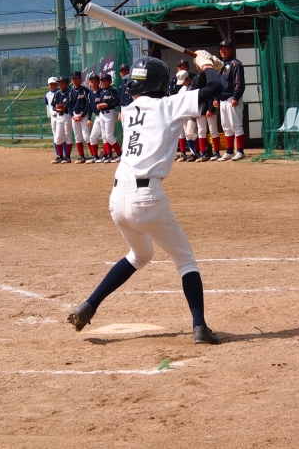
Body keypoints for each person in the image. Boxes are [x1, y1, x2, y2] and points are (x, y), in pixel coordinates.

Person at [67, 51, 224, 344]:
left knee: (140, 255)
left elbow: (199, 91)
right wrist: (206, 65)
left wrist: (207, 70)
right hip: (147, 197)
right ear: (161, 83)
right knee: (185, 261)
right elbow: (214, 89)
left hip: (118, 197)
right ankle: (200, 327)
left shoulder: (129, 108)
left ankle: (90, 304)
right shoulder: (167, 106)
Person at [213, 40, 246, 161]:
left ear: (231, 50)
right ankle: (229, 151)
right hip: (222, 99)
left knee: (236, 125)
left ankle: (240, 151)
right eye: (221, 48)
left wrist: (236, 96)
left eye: (225, 48)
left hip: (232, 97)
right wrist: (216, 97)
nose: (222, 50)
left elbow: (239, 82)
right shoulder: (220, 66)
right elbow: (217, 84)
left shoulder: (235, 64)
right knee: (226, 126)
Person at [96, 73, 122, 163]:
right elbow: (99, 103)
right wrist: (99, 106)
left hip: (109, 113)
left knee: (109, 136)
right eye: (102, 80)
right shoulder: (101, 92)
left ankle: (120, 155)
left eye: (106, 80)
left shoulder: (112, 91)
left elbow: (117, 102)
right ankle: (108, 156)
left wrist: (107, 105)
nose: (104, 82)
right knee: (104, 136)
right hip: (102, 114)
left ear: (110, 81)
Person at [45, 76, 71, 164]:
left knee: (66, 136)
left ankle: (66, 156)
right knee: (57, 137)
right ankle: (59, 155)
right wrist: (56, 109)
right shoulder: (51, 95)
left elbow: (69, 104)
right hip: (56, 116)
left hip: (65, 115)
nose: (53, 85)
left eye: (55, 84)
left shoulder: (67, 93)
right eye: (59, 83)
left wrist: (63, 108)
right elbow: (50, 106)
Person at [67, 71, 89, 164]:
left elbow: (88, 105)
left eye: (76, 78)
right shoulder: (71, 93)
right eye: (73, 79)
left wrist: (82, 115)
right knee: (77, 137)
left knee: (86, 136)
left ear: (80, 79)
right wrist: (72, 116)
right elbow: (69, 106)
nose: (75, 80)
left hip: (83, 115)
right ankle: (81, 156)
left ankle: (94, 155)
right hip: (75, 116)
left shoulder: (85, 90)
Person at [87, 74, 105, 163]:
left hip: (104, 115)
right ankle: (95, 156)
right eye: (91, 82)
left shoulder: (102, 92)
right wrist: (89, 119)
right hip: (97, 116)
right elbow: (89, 107)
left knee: (105, 136)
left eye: (95, 82)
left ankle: (106, 155)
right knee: (92, 137)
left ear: (99, 82)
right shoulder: (90, 94)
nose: (93, 84)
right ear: (89, 83)